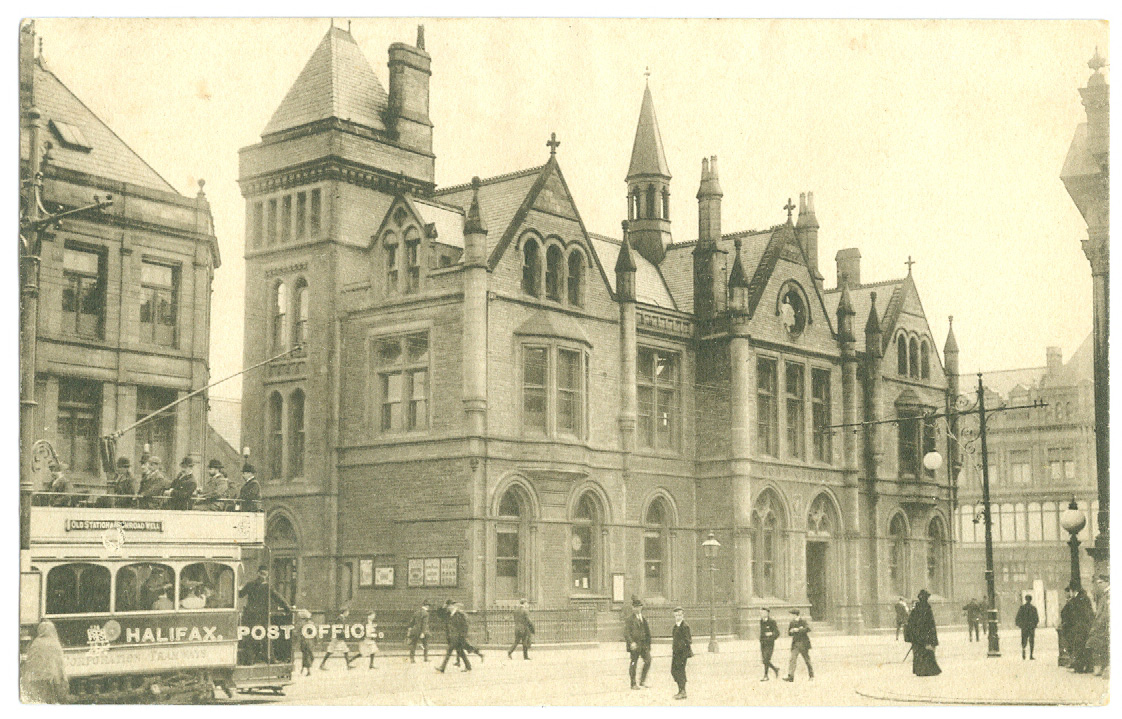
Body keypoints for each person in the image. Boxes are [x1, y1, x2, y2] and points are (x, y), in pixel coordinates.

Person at [239, 565, 291, 664]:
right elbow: (278, 598)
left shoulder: (250, 584)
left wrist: (239, 587)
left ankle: (250, 660)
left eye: (264, 574)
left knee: (250, 637)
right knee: (267, 636)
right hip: (262, 616)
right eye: (263, 574)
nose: (263, 576)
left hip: (250, 616)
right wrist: (288, 609)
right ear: (259, 573)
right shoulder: (267, 587)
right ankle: (270, 659)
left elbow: (240, 594)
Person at [20, 620, 68, 703]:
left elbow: (29, 663)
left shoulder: (35, 643)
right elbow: (59, 665)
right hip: (51, 682)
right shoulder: (55, 644)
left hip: (34, 682)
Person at [904, 589, 941, 676]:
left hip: (917, 636)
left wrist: (913, 635)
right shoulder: (927, 608)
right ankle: (928, 670)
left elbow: (911, 623)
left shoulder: (915, 609)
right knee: (927, 652)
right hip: (926, 635)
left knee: (918, 653)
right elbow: (931, 625)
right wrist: (933, 638)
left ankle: (919, 670)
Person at [1066, 584, 1096, 673]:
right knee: (1085, 647)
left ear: (1073, 590)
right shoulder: (1084, 597)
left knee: (1079, 647)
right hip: (1085, 626)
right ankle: (1088, 667)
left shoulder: (1077, 599)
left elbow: (1076, 614)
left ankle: (1079, 668)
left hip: (1080, 627)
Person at [624, 597, 652, 690]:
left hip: (643, 645)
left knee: (648, 661)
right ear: (633, 608)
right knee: (633, 663)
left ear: (641, 608)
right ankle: (633, 684)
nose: (637, 609)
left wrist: (648, 645)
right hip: (635, 645)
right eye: (635, 607)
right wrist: (631, 643)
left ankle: (642, 680)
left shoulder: (643, 618)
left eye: (639, 607)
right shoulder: (629, 619)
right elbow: (626, 633)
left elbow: (647, 632)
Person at [436, 600, 471, 673]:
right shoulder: (449, 614)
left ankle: (442, 668)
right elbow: (439, 614)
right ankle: (468, 666)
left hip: (458, 637)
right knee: (461, 652)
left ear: (453, 606)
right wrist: (444, 606)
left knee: (449, 652)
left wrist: (463, 636)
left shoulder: (460, 614)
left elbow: (465, 626)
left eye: (450, 606)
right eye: (448, 606)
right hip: (452, 637)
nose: (449, 608)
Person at [1085, 573, 1110, 676]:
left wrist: (1096, 627)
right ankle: (1101, 667)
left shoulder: (1108, 595)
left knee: (1097, 644)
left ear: (1106, 582)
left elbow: (1106, 614)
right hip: (1102, 627)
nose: (1098, 585)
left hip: (1104, 628)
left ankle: (1101, 667)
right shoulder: (1104, 595)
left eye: (1100, 583)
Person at [320, 604, 358, 670]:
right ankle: (322, 664)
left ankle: (348, 665)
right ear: (344, 612)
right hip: (337, 638)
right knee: (330, 651)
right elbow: (338, 628)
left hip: (338, 638)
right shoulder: (340, 619)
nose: (348, 613)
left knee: (344, 650)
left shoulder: (341, 618)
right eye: (347, 612)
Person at [783, 608, 813, 682]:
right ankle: (791, 676)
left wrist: (798, 630)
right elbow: (789, 633)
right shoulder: (792, 623)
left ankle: (811, 675)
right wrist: (792, 631)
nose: (790, 617)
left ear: (795, 615)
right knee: (792, 659)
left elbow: (808, 629)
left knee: (807, 660)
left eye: (791, 615)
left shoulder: (803, 621)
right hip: (795, 644)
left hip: (803, 643)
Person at [670, 607, 693, 700]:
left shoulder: (685, 626)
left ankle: (682, 691)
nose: (677, 617)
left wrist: (681, 646)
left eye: (679, 615)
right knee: (673, 671)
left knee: (680, 671)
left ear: (683, 615)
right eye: (676, 615)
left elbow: (688, 640)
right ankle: (680, 690)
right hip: (676, 653)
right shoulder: (675, 626)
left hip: (682, 653)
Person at [758, 607, 781, 681]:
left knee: (766, 659)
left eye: (763, 613)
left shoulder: (772, 621)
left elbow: (777, 633)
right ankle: (775, 669)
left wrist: (771, 634)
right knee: (764, 660)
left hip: (770, 643)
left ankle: (766, 675)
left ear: (767, 613)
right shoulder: (761, 621)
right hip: (763, 642)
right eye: (761, 613)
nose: (761, 614)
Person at [1015, 594, 1040, 660]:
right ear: (1031, 600)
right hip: (1031, 627)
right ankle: (1031, 655)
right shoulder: (1033, 608)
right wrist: (1034, 625)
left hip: (1024, 627)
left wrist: (1019, 624)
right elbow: (1036, 618)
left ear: (1025, 599)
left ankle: (1023, 651)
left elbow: (1018, 617)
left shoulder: (1022, 608)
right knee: (1031, 641)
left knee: (1024, 640)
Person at [296, 609, 316, 676]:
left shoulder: (304, 624)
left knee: (307, 656)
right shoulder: (307, 624)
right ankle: (308, 670)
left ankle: (303, 668)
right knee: (308, 656)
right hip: (306, 641)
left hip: (307, 641)